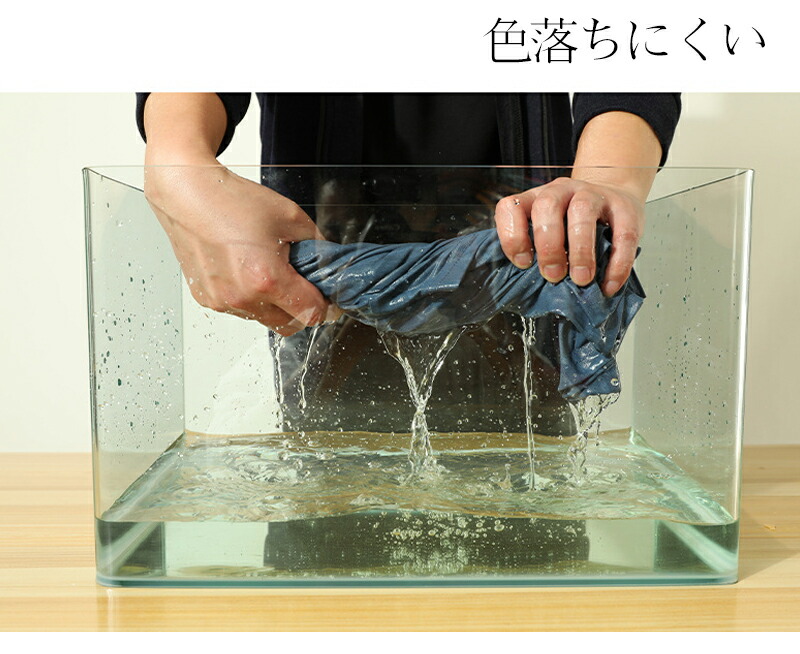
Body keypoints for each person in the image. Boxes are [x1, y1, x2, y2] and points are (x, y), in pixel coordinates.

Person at [135, 92, 680, 435]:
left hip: (529, 241)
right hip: (325, 235)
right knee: (327, 478)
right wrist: (178, 160)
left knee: (532, 495)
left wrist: (605, 182)